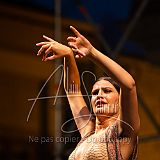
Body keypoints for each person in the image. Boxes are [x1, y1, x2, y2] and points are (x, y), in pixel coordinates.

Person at [36, 26, 140, 160]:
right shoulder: (87, 133)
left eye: (107, 91)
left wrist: (91, 52)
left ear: (120, 100)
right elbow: (73, 92)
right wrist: (68, 55)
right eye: (95, 93)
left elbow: (129, 85)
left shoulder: (122, 131)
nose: (99, 95)